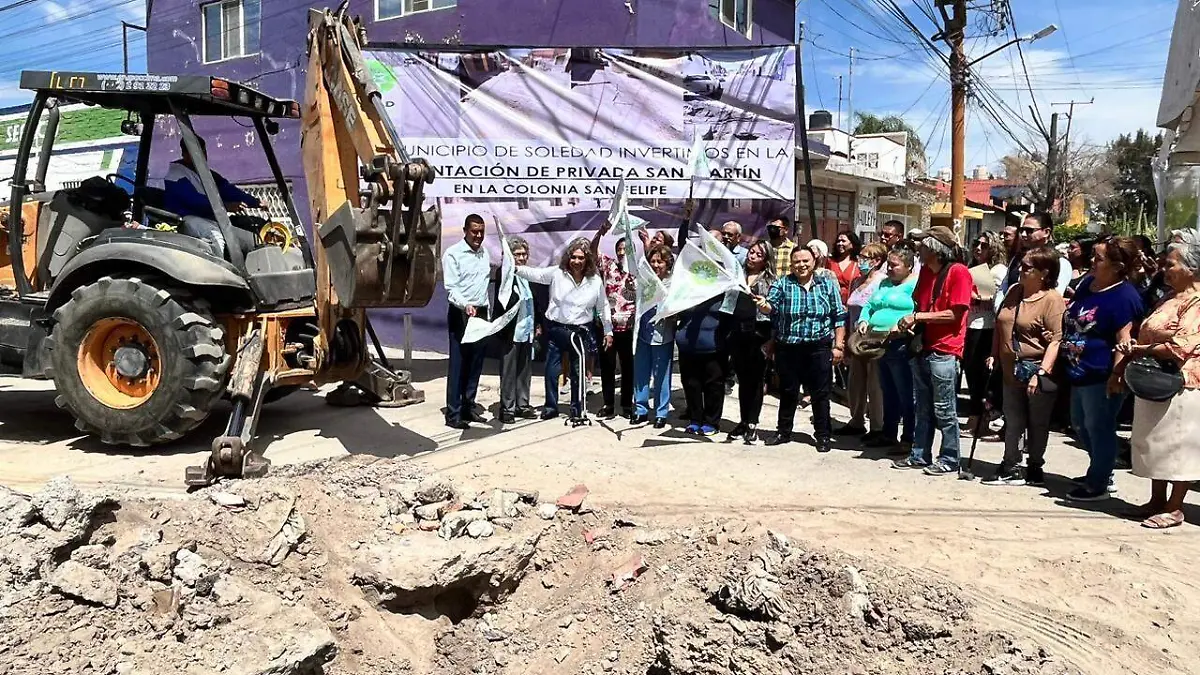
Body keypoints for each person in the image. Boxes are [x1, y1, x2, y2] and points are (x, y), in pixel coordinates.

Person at [1118, 231, 1200, 528]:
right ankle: (1156, 499)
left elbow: (1181, 345)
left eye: (1172, 265)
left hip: (1182, 382)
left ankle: (1175, 507)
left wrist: (1142, 346)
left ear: (1192, 269)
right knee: (1154, 441)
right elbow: (1152, 330)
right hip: (1153, 376)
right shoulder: (1168, 297)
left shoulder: (1197, 301)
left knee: (1177, 446)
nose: (1165, 269)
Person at [1061, 236, 1145, 501]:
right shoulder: (1088, 284)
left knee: (1099, 427)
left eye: (1098, 259)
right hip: (1079, 371)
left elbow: (1124, 341)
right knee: (1080, 425)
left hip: (1102, 375)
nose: (1092, 262)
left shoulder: (1124, 297)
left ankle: (1098, 484)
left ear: (1117, 266)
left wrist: (1116, 375)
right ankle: (1100, 468)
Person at [892, 226, 973, 475]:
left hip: (946, 349)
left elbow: (955, 313)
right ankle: (920, 455)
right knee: (922, 407)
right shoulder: (926, 272)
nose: (919, 249)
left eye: (923, 245)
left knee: (945, 409)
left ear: (936, 249)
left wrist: (918, 316)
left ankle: (949, 458)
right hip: (924, 346)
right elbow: (920, 301)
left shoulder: (958, 273)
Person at [983, 246, 1066, 487]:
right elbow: (1002, 324)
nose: (1021, 270)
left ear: (1044, 272)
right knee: (1013, 419)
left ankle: (1035, 467)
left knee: (1037, 422)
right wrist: (993, 354)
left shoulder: (1052, 300)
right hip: (1010, 369)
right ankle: (1011, 465)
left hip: (1035, 370)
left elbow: (1056, 341)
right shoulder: (1014, 291)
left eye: (1028, 267)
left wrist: (1041, 373)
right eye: (1021, 265)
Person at [755, 246, 847, 452]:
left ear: (814, 261)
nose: (801, 265)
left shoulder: (827, 285)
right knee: (788, 391)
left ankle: (823, 435)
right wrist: (764, 306)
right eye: (797, 261)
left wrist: (838, 345)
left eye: (805, 261)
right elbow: (772, 307)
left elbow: (839, 316)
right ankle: (783, 431)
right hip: (789, 346)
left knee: (820, 393)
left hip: (819, 346)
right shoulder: (783, 284)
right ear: (791, 264)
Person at [516, 239, 614, 422]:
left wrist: (608, 331)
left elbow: (603, 307)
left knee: (578, 372)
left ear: (587, 260)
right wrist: (514, 268)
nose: (576, 261)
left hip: (581, 332)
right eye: (573, 257)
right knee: (551, 371)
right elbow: (534, 274)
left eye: (580, 258)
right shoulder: (557, 273)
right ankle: (551, 406)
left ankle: (577, 407)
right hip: (557, 329)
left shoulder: (595, 281)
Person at [858, 246, 919, 450]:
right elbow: (869, 306)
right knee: (888, 391)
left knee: (905, 393)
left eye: (894, 265)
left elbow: (918, 311)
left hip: (900, 343)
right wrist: (863, 320)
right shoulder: (883, 283)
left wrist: (903, 325)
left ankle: (909, 438)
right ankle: (888, 433)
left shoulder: (914, 285)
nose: (889, 269)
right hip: (878, 343)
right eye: (888, 264)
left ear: (908, 266)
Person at [164, 137, 262, 259]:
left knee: (251, 241)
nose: (202, 156)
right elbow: (195, 202)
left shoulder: (206, 173)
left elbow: (228, 190)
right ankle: (219, 274)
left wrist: (255, 202)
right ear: (184, 154)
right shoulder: (175, 175)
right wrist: (226, 206)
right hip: (187, 219)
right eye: (196, 152)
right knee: (215, 237)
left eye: (203, 151)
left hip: (210, 218)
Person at [442, 214, 492, 430]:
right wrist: (465, 306)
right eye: (474, 231)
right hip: (461, 313)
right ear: (465, 230)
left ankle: (468, 406)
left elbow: (483, 286)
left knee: (475, 363)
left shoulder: (484, 253)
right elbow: (451, 289)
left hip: (480, 313)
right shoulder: (453, 254)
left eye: (481, 231)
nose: (478, 235)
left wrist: (485, 312)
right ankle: (453, 413)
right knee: (459, 363)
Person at [837, 242, 888, 439]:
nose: (861, 261)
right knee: (855, 382)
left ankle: (877, 426)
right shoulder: (856, 281)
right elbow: (851, 311)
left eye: (866, 257)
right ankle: (856, 420)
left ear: (876, 261)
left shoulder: (882, 282)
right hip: (855, 338)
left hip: (874, 338)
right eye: (860, 256)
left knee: (875, 384)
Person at [727, 240, 776, 443]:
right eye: (751, 252)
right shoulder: (738, 276)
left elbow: (775, 311)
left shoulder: (771, 280)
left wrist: (772, 340)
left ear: (766, 260)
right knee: (742, 380)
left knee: (756, 381)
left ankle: (752, 422)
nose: (752, 256)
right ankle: (743, 420)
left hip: (759, 334)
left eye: (758, 254)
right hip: (738, 332)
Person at [962, 230, 1008, 435]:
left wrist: (972, 294)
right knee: (971, 374)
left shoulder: (999, 269)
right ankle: (975, 417)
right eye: (976, 243)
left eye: (984, 245)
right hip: (970, 325)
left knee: (981, 376)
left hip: (987, 327)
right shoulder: (973, 267)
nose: (978, 248)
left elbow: (993, 297)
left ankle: (982, 420)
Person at [592, 223, 636, 419]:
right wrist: (599, 234)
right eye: (619, 249)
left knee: (628, 367)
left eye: (626, 249)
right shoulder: (608, 266)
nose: (622, 252)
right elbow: (593, 252)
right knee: (607, 367)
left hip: (629, 328)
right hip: (608, 327)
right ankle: (608, 404)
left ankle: (627, 404)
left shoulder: (638, 269)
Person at [496, 236, 541, 424]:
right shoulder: (505, 273)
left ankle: (523, 405)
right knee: (509, 370)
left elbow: (533, 301)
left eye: (524, 254)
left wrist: (537, 324)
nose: (522, 258)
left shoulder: (527, 274)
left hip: (527, 330)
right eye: (517, 254)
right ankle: (507, 408)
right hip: (511, 331)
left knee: (524, 369)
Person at [676, 292, 734, 436]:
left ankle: (711, 422)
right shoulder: (684, 288)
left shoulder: (722, 288)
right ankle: (695, 419)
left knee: (713, 385)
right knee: (691, 384)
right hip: (687, 345)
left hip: (714, 346)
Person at [632, 245, 676, 428]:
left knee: (661, 376)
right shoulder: (644, 281)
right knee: (641, 374)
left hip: (663, 335)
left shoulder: (673, 283)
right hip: (643, 333)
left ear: (667, 264)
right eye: (653, 261)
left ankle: (661, 412)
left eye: (660, 261)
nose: (656, 265)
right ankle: (640, 410)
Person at [1016, 212, 1072, 293]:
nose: (1023, 234)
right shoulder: (1017, 258)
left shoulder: (1060, 262)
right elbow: (1003, 289)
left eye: (1029, 230)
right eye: (1022, 230)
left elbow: (1055, 295)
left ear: (1046, 232)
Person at [826, 230, 863, 306]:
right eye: (838, 241)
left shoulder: (858, 263)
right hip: (832, 302)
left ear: (852, 244)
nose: (840, 244)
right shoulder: (830, 262)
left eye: (843, 241)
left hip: (851, 304)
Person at [1065, 234, 1096, 299]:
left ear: (1084, 251)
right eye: (1069, 247)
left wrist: (1074, 295)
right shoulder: (1064, 267)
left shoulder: (1092, 274)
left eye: (1073, 248)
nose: (1068, 251)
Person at [765, 215, 797, 279]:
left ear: (786, 230)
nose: (772, 230)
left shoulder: (793, 248)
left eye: (776, 228)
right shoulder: (764, 247)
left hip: (785, 286)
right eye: (770, 227)